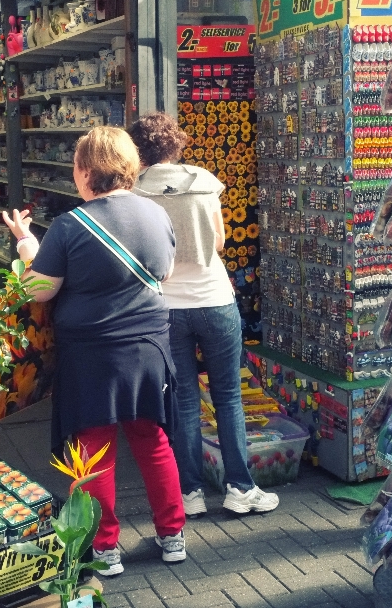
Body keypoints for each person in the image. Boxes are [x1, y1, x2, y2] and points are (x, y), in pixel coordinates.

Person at [2, 126, 186, 576]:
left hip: (92, 352)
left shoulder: (70, 225)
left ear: (85, 171)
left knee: (94, 446)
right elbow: (163, 270)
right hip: (148, 345)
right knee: (153, 439)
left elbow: (40, 290)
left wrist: (27, 244)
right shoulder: (156, 215)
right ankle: (172, 536)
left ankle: (105, 548)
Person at [128, 112, 279, 517]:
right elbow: (220, 239)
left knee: (184, 400)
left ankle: (190, 493)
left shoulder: (136, 192)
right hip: (213, 298)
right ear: (176, 143)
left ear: (138, 151)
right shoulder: (204, 181)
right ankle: (240, 488)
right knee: (228, 396)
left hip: (167, 307)